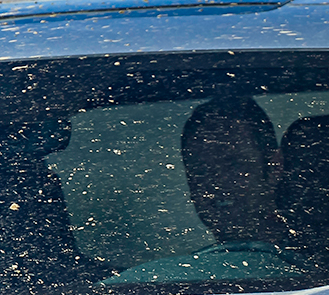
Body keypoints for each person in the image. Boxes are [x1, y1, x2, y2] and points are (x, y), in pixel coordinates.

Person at [112, 96, 306, 284]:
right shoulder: (157, 278)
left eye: (233, 165)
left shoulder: (324, 276)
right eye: (201, 170)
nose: (215, 183)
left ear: (274, 167)